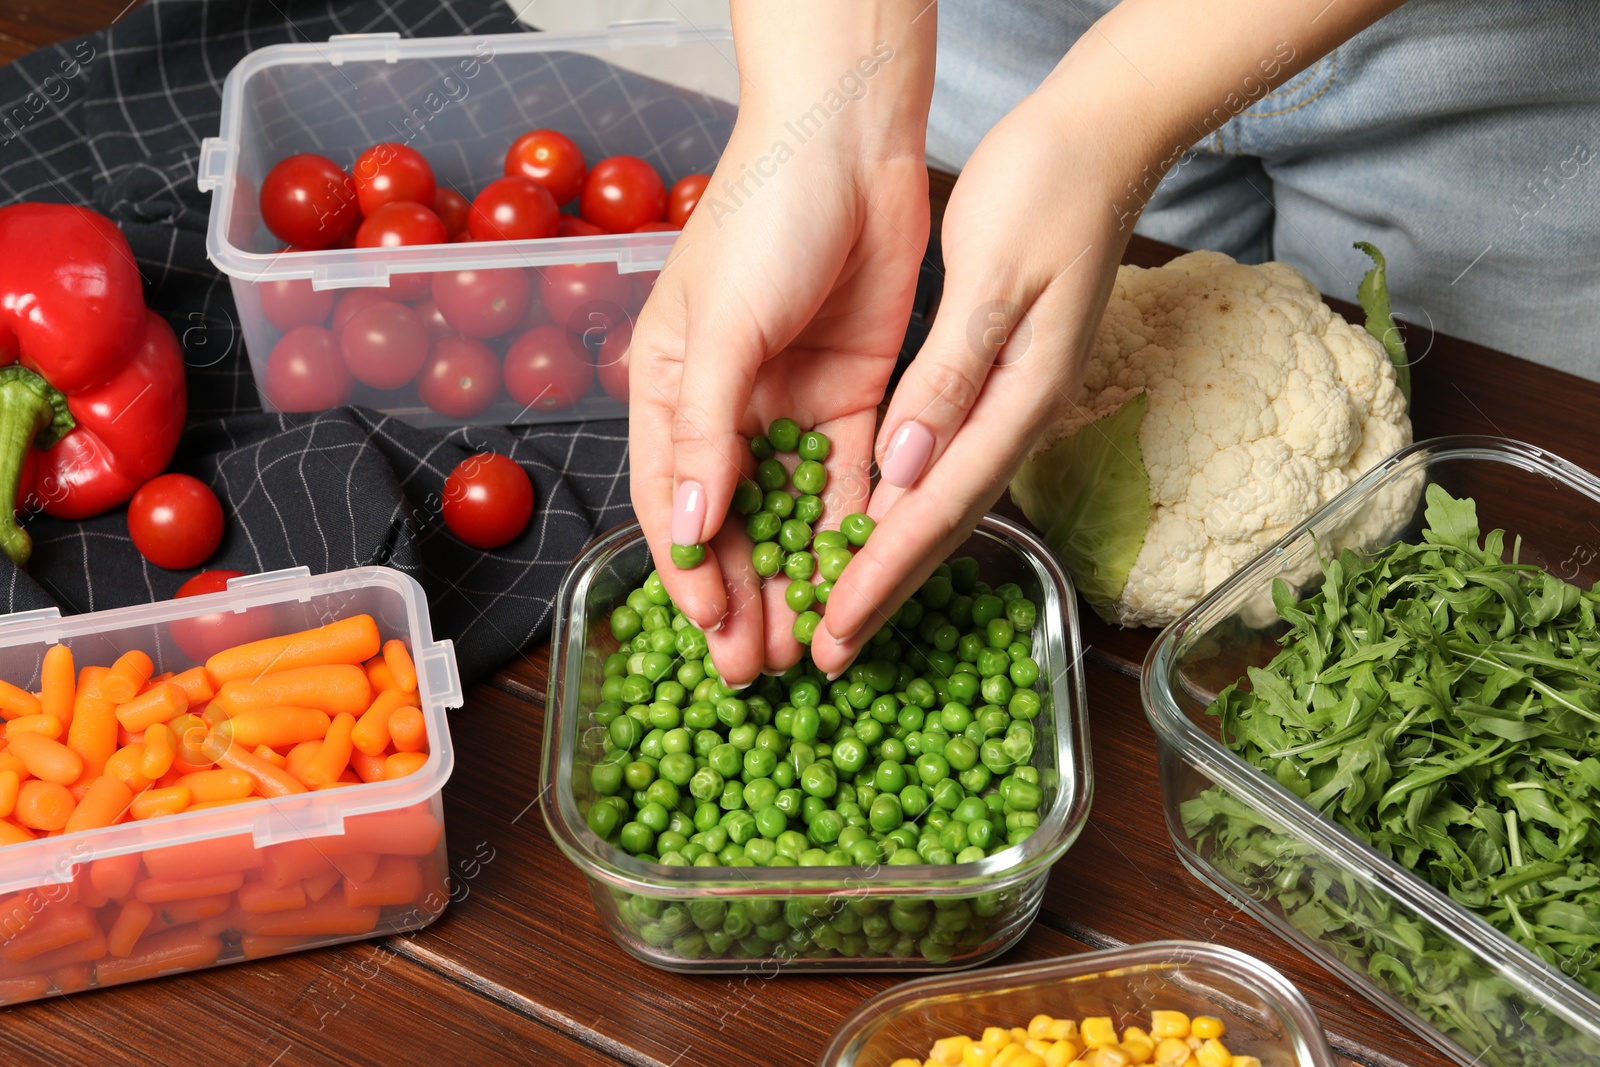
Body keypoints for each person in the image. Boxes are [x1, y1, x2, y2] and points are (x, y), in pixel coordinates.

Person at [626, 0, 1600, 687]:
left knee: (1526, 499)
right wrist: (831, 101)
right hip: (1004, 29)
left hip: (1487, 66)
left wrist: (1105, 126)